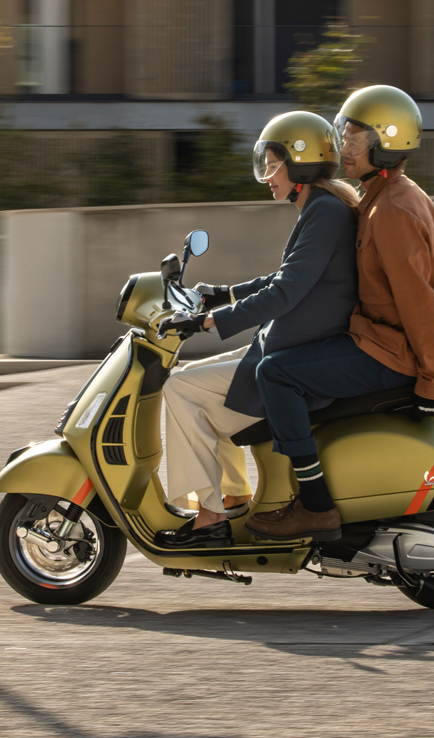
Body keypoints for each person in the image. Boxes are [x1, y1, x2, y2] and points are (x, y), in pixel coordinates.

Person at [245, 85, 434, 542]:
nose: (343, 146)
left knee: (276, 374)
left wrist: (433, 381)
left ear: (386, 141)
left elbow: (419, 305)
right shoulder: (385, 196)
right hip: (381, 341)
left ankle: (315, 506)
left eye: (355, 138)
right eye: (343, 134)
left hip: (388, 351)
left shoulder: (392, 211)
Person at [152, 111, 360, 550]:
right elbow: (283, 278)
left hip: (290, 354)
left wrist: (208, 321)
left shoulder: (324, 212)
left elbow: (286, 292)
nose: (267, 176)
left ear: (299, 163)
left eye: (272, 164)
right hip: (283, 344)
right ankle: (235, 494)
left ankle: (209, 517)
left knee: (179, 391)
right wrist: (223, 294)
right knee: (196, 385)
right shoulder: (323, 208)